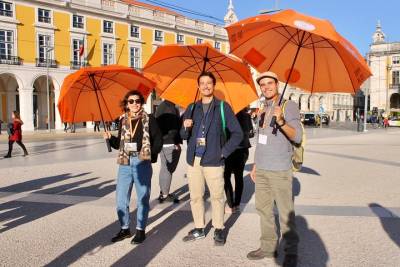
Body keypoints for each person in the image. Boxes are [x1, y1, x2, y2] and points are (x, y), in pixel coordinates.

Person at [180, 71, 243, 245]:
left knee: (217, 197)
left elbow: (237, 134)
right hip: (194, 160)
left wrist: (223, 152)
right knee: (196, 196)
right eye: (202, 83)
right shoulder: (191, 108)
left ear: (214, 86)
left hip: (214, 160)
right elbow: (183, 135)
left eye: (209, 83)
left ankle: (219, 228)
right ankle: (199, 228)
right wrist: (185, 127)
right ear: (198, 86)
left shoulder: (223, 107)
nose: (206, 86)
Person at [247, 72, 302, 267]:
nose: (266, 87)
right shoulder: (263, 108)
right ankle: (268, 246)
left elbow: (297, 136)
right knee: (263, 209)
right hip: (262, 168)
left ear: (277, 84)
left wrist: (281, 121)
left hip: (280, 169)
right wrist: (255, 164)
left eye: (270, 83)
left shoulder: (289, 106)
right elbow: (261, 141)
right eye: (262, 85)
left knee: (286, 212)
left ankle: (291, 251)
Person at [103, 90, 162, 244]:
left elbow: (158, 142)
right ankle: (125, 228)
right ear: (127, 104)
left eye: (137, 101)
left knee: (143, 197)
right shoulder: (124, 121)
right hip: (125, 163)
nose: (135, 104)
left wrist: (147, 155)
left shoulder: (149, 119)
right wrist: (111, 139)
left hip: (142, 162)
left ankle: (140, 230)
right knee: (121, 198)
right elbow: (121, 145)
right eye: (131, 101)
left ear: (141, 102)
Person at [223, 107, 253, 213]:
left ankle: (230, 204)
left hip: (229, 150)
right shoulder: (246, 116)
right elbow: (251, 133)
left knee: (226, 177)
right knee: (239, 176)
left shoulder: (226, 115)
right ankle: (237, 205)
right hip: (243, 150)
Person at [155, 99, 182, 203]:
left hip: (163, 141)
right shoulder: (170, 108)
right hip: (169, 142)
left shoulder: (162, 106)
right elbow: (173, 128)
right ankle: (165, 195)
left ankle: (163, 192)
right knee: (168, 169)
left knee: (164, 167)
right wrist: (175, 142)